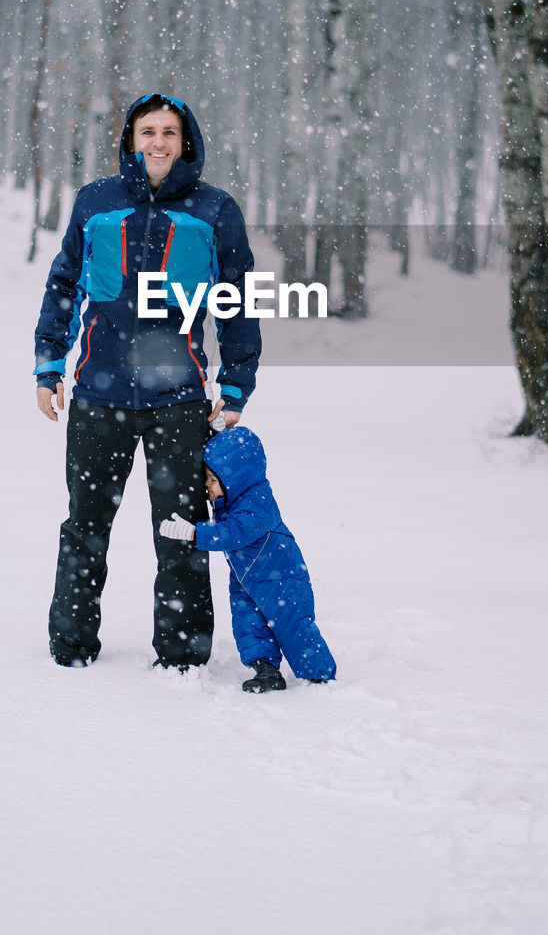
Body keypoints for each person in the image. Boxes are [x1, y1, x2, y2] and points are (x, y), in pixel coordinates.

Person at [34, 93, 261, 671]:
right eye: (147, 131)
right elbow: (64, 283)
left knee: (181, 531)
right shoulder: (96, 202)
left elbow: (237, 305)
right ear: (131, 139)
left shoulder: (215, 210)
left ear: (186, 141)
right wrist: (48, 363)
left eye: (169, 132)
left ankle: (182, 658)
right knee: (85, 526)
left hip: (180, 401)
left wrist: (235, 388)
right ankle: (71, 648)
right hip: (96, 394)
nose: (158, 142)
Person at [160, 426, 337, 692]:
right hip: (247, 576)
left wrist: (195, 532)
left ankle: (319, 676)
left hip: (280, 575)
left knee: (293, 625)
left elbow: (234, 533)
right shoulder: (233, 499)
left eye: (212, 479)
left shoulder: (257, 501)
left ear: (234, 479)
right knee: (248, 623)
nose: (206, 485)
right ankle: (266, 670)